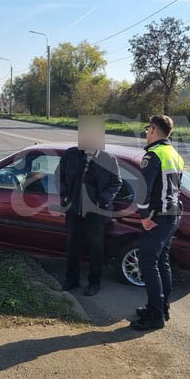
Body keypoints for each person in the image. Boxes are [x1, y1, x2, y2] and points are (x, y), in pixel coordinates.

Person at [130, 115, 185, 331]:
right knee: (162, 262)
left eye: (147, 128)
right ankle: (162, 307)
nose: (146, 132)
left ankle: (155, 316)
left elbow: (143, 189)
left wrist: (144, 216)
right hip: (172, 215)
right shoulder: (175, 154)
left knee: (148, 263)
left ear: (153, 129)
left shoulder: (153, 155)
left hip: (156, 216)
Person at [57, 125, 122, 297]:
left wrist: (103, 200)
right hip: (74, 208)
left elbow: (116, 183)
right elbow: (59, 175)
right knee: (71, 246)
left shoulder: (108, 159)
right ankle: (71, 280)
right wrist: (64, 193)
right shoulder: (71, 154)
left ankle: (94, 283)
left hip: (97, 211)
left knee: (96, 248)